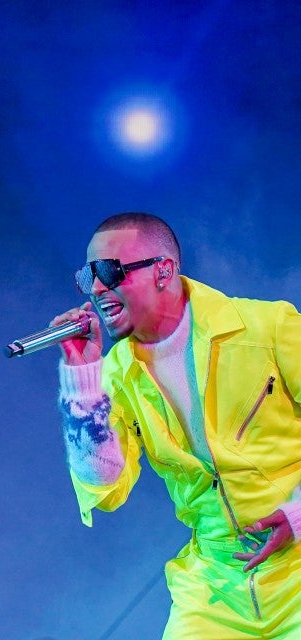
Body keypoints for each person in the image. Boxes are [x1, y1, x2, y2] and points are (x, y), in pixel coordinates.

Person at [52, 211, 301, 638]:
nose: (96, 289)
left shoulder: (267, 327)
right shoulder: (113, 375)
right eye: (86, 276)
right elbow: (104, 487)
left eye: (108, 272)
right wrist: (82, 381)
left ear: (163, 271)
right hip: (215, 584)